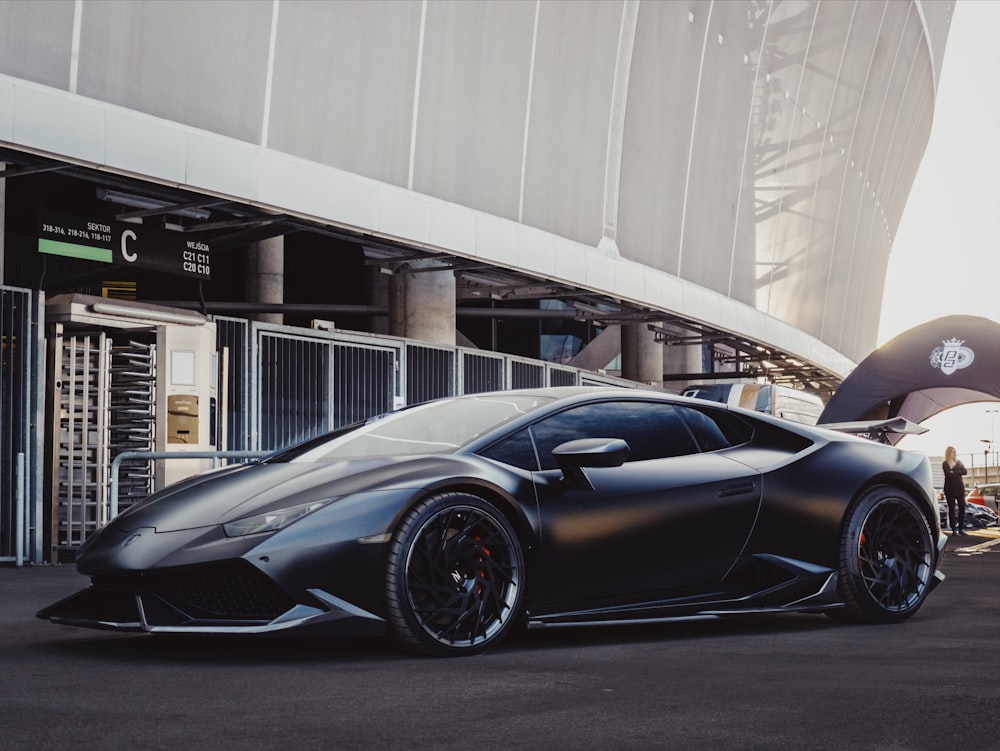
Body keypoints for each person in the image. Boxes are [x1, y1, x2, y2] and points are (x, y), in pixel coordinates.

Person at [942, 446, 968, 535]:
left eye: (954, 452)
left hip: (960, 489)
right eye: (952, 452)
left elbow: (965, 471)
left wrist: (954, 471)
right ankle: (954, 530)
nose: (953, 454)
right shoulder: (945, 463)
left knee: (962, 508)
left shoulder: (959, 462)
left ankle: (961, 528)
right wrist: (957, 472)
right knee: (952, 510)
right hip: (950, 490)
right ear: (948, 453)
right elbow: (948, 475)